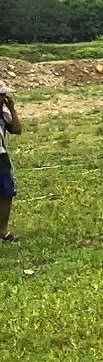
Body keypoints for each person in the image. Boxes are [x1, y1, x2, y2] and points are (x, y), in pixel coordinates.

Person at [0, 82, 22, 243]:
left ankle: (3, 231)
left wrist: (12, 109)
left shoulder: (3, 115)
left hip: (1, 158)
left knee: (7, 193)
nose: (3, 98)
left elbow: (17, 130)